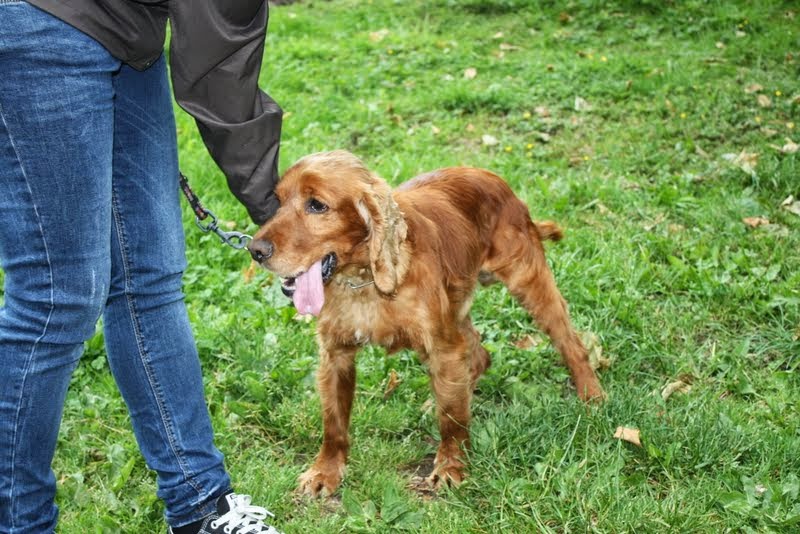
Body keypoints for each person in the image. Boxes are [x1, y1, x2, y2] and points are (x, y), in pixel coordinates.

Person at [0, 1, 283, 532]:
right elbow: (221, 70)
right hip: (38, 18)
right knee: (56, 295)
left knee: (148, 276)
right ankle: (19, 522)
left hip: (126, 31)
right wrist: (281, 220)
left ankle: (200, 505)